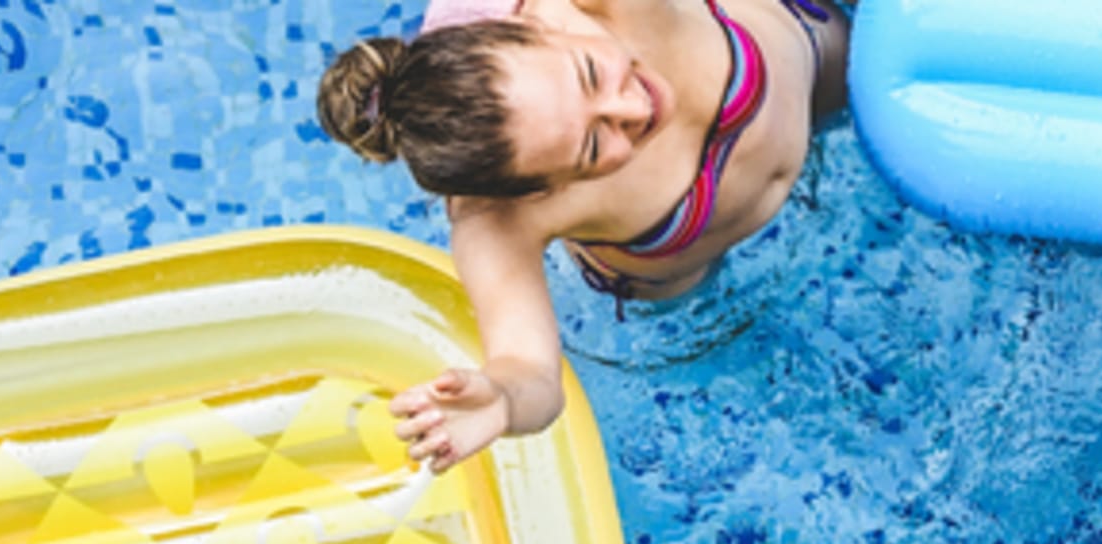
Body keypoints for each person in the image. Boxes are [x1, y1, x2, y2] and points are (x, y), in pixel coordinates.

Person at [314, 0, 854, 471]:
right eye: (595, 147)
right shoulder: (497, 220)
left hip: (803, 55)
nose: (635, 108)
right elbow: (529, 369)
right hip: (682, 260)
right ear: (536, 192)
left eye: (592, 73)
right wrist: (503, 399)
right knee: (701, 317)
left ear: (544, 26)